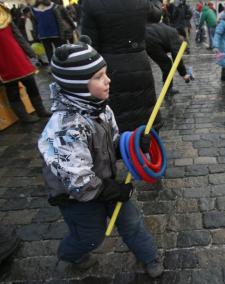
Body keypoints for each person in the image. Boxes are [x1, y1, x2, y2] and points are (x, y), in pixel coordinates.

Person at [38, 38, 164, 278]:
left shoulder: (102, 108)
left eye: (105, 74)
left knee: (132, 221)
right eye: (98, 77)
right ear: (77, 85)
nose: (108, 80)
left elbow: (112, 143)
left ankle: (149, 256)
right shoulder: (64, 129)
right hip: (74, 196)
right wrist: (111, 190)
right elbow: (77, 180)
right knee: (90, 236)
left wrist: (133, 145)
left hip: (105, 182)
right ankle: (69, 254)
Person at [81, 0, 163, 132]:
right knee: (144, 110)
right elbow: (156, 14)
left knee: (117, 114)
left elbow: (90, 45)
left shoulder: (91, 3)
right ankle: (142, 146)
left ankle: (122, 145)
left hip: (109, 66)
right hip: (138, 63)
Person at [0, 3, 50, 123]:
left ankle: (40, 110)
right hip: (2, 62)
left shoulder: (6, 17)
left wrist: (31, 53)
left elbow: (18, 37)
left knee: (31, 84)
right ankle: (24, 117)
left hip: (18, 57)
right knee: (13, 92)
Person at [146, 16, 191, 95]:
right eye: (183, 40)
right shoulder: (175, 36)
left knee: (166, 63)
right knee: (167, 64)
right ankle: (168, 90)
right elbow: (177, 57)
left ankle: (167, 88)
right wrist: (184, 74)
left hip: (146, 36)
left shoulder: (170, 31)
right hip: (151, 41)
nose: (182, 43)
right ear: (181, 36)